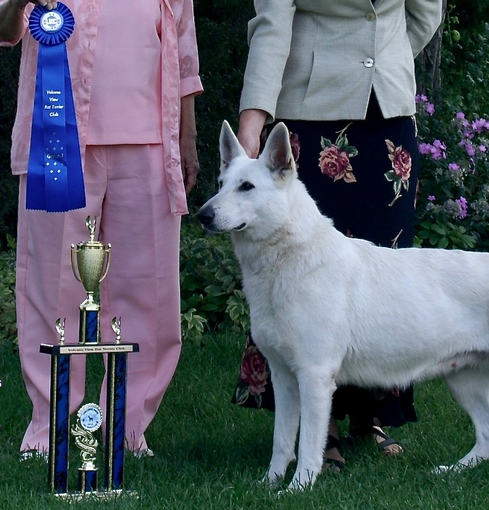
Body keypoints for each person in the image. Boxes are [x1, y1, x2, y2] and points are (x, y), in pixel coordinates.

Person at [233, 0, 442, 471]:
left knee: (384, 275)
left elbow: (426, 11)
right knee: (304, 276)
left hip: (387, 113)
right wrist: (253, 120)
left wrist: (385, 57)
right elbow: (272, 23)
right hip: (311, 111)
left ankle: (370, 414)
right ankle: (316, 425)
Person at [0, 0, 202, 458]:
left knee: (149, 293)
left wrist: (187, 136)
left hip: (150, 145)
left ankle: (127, 428)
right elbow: (5, 29)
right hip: (57, 142)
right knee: (53, 287)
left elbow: (184, 54)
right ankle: (49, 427)